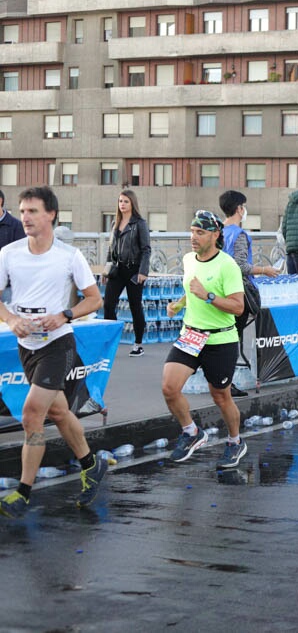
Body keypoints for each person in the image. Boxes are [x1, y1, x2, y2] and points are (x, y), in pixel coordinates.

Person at [0, 187, 109, 517]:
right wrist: (12, 319)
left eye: (32, 211)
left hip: (58, 344)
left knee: (33, 413)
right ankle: (92, 465)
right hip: (26, 347)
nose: (25, 217)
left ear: (51, 215)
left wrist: (64, 314)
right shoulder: (9, 253)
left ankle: (23, 492)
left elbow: (94, 299)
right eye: (22, 211)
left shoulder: (68, 256)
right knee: (60, 413)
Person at [161, 210, 248, 469]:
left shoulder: (227, 265)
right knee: (169, 388)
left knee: (220, 396)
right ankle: (191, 432)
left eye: (199, 232)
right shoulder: (189, 259)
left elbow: (238, 307)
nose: (193, 237)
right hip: (191, 334)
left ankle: (235, 441)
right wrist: (178, 305)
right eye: (191, 231)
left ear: (215, 234)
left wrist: (208, 295)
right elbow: (191, 289)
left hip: (220, 339)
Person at [219, 191, 279, 397]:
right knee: (233, 337)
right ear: (239, 209)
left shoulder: (217, 231)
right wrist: (264, 270)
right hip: (237, 291)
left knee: (221, 335)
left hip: (218, 289)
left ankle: (218, 378)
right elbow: (241, 265)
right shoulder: (239, 235)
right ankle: (227, 382)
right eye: (243, 206)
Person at [102, 190, 152, 357]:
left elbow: (146, 249)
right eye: (120, 201)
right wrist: (106, 270)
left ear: (132, 204)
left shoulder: (139, 223)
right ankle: (111, 342)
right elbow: (111, 249)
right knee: (108, 304)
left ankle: (138, 344)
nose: (122, 204)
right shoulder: (115, 223)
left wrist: (143, 271)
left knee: (135, 307)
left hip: (134, 270)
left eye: (125, 201)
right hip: (117, 270)